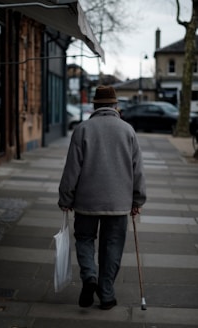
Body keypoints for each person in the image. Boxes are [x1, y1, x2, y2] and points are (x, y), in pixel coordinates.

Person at [58, 85, 146, 310]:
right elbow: (137, 170)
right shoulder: (128, 130)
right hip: (118, 202)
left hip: (87, 202)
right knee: (113, 245)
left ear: (95, 106)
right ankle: (106, 293)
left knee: (85, 239)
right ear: (116, 106)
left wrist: (66, 198)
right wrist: (138, 200)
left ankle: (89, 277)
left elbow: (71, 169)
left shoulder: (83, 129)